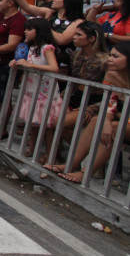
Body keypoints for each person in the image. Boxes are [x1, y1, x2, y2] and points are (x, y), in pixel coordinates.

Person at [53, 41, 130, 184]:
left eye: (115, 56)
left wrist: (113, 120)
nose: (110, 59)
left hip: (125, 121)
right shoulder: (111, 75)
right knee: (98, 120)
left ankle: (85, 173)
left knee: (113, 128)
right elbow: (110, 104)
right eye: (110, 55)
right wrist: (107, 120)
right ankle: (71, 164)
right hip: (123, 119)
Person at [11, 18, 64, 163]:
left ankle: (50, 155)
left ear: (39, 31)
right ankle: (32, 148)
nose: (25, 32)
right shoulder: (30, 47)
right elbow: (23, 61)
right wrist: (17, 63)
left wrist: (30, 66)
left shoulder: (47, 48)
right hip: (32, 90)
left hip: (46, 93)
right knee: (33, 123)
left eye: (29, 29)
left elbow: (54, 68)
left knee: (48, 126)